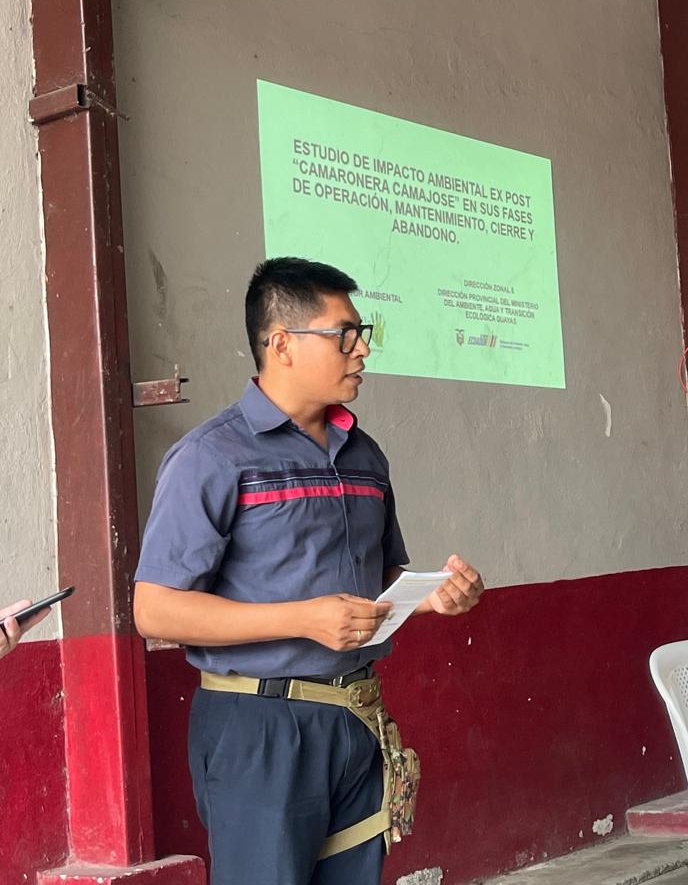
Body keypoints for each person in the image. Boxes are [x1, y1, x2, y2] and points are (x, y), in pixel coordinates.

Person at [133, 257, 484, 885]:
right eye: (344, 334)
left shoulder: (365, 455)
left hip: (354, 715)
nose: (362, 349)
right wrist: (302, 619)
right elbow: (154, 609)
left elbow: (379, 579)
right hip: (259, 726)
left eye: (362, 333)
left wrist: (433, 597)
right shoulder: (211, 457)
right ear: (281, 344)